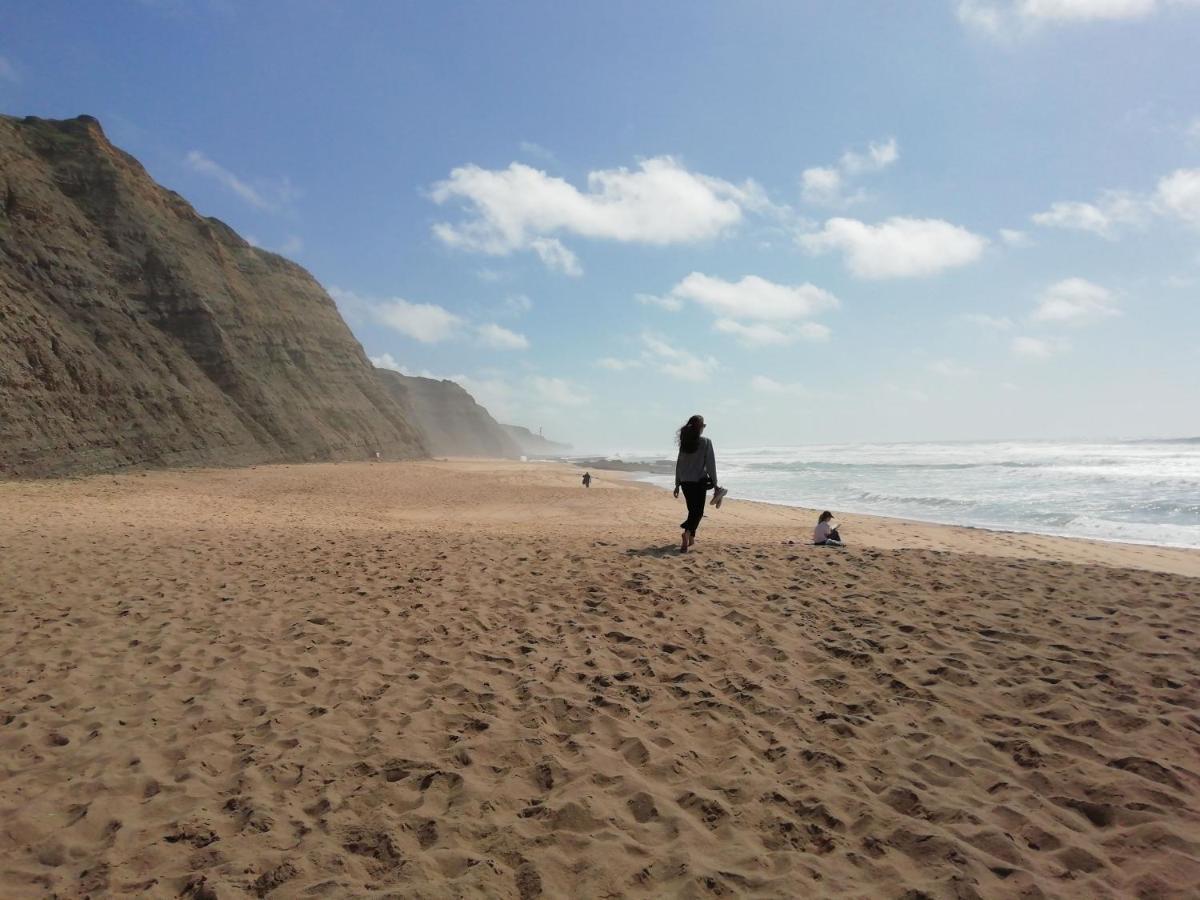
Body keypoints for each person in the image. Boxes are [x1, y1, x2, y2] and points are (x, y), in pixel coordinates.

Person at [673, 414, 726, 553]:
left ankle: (690, 539)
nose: (704, 428)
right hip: (698, 482)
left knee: (693, 510)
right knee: (698, 512)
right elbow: (710, 464)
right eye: (703, 426)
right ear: (699, 428)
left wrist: (677, 484)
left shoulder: (684, 444)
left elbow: (679, 464)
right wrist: (715, 484)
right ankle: (687, 533)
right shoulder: (706, 442)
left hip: (685, 482)